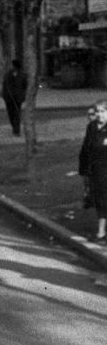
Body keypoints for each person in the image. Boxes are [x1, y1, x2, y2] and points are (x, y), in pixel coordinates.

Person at [79, 100, 107, 242]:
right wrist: (83, 169)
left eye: (103, 112)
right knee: (100, 200)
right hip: (96, 170)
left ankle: (102, 231)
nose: (100, 115)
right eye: (98, 112)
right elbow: (85, 148)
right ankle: (101, 232)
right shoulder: (92, 127)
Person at [2, 59, 27, 136]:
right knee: (10, 114)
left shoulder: (22, 75)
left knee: (16, 114)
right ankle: (14, 127)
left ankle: (16, 130)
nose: (12, 67)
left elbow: (25, 86)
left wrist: (22, 96)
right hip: (9, 98)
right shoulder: (7, 74)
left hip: (17, 98)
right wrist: (5, 95)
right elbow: (4, 86)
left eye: (13, 66)